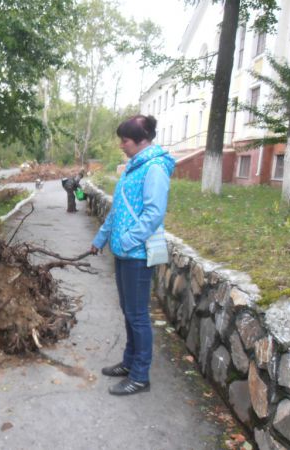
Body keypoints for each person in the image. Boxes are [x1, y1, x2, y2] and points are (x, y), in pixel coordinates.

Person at [90, 115, 175, 396]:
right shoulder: (132, 168)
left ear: (141, 140)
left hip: (137, 254)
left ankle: (140, 376)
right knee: (129, 311)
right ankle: (129, 362)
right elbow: (117, 210)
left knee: (138, 315)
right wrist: (101, 238)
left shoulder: (154, 168)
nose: (121, 145)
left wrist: (126, 240)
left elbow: (153, 214)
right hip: (124, 251)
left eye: (124, 140)